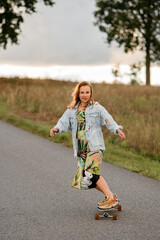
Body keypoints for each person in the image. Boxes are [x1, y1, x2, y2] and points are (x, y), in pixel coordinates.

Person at [50, 81, 125, 210]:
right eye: (82, 92)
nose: (84, 95)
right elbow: (63, 123)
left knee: (91, 173)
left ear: (91, 93)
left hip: (94, 146)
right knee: (86, 178)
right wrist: (56, 129)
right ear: (78, 94)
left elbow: (108, 119)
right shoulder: (71, 110)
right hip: (81, 149)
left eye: (87, 92)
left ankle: (111, 198)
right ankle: (111, 196)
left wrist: (117, 129)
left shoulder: (96, 108)